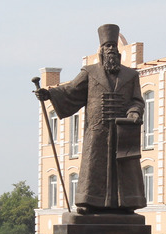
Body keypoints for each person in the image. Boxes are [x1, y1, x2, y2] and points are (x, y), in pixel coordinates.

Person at [35, 24, 146, 214]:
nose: (111, 49)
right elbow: (70, 90)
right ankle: (89, 203)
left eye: (113, 46)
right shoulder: (90, 72)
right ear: (101, 50)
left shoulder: (131, 75)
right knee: (94, 167)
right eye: (107, 46)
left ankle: (125, 204)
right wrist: (50, 94)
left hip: (122, 132)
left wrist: (134, 113)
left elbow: (137, 101)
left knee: (124, 170)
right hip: (97, 133)